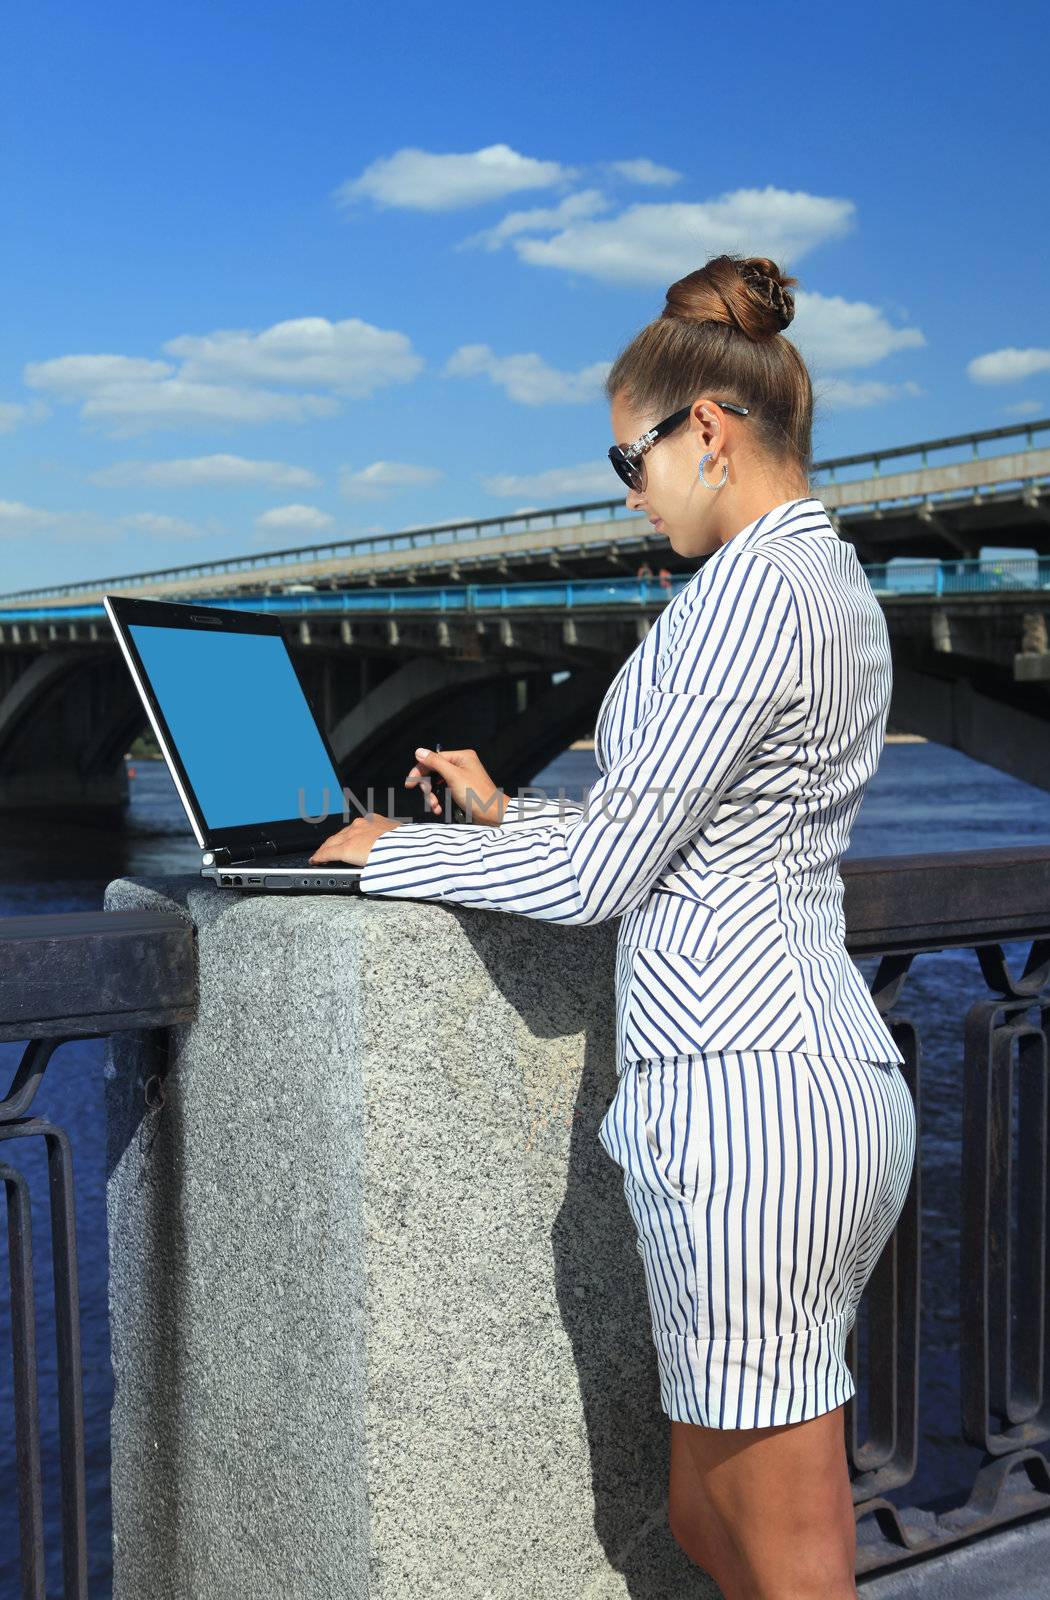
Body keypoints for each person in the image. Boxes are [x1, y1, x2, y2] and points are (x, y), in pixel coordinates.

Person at [308, 251, 916, 1599]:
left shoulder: (748, 596)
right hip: (794, 1077)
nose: (628, 497)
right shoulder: (816, 581)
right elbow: (671, 840)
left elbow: (605, 884)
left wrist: (391, 850)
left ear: (704, 429)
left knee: (784, 1551)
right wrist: (499, 817)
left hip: (746, 1102)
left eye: (624, 460)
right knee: (706, 1519)